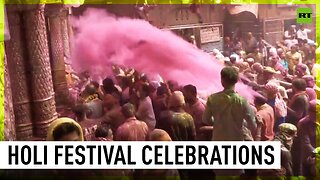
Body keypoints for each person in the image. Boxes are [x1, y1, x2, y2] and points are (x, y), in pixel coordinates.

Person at [203, 66, 256, 141]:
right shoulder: (242, 101)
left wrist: (218, 122)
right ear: (236, 81)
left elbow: (205, 119)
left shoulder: (212, 99)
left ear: (222, 80)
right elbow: (252, 125)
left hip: (218, 139)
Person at [298, 100, 318, 176]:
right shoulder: (303, 123)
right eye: (315, 112)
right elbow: (306, 143)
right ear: (309, 111)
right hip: (309, 156)